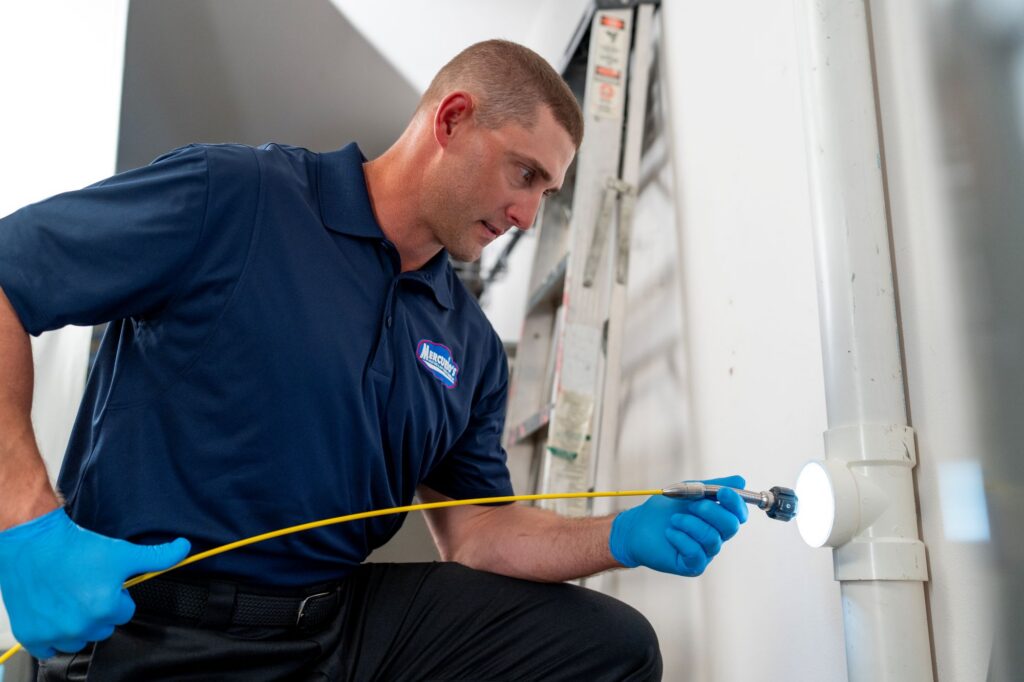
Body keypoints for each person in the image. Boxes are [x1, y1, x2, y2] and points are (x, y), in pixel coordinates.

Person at [0, 39, 748, 680]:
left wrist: (618, 535)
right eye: (524, 175)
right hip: (158, 627)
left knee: (611, 646)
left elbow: (478, 533)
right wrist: (27, 523)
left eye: (548, 192)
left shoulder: (470, 346)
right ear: (452, 120)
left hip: (332, 631)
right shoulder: (237, 197)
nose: (528, 216)